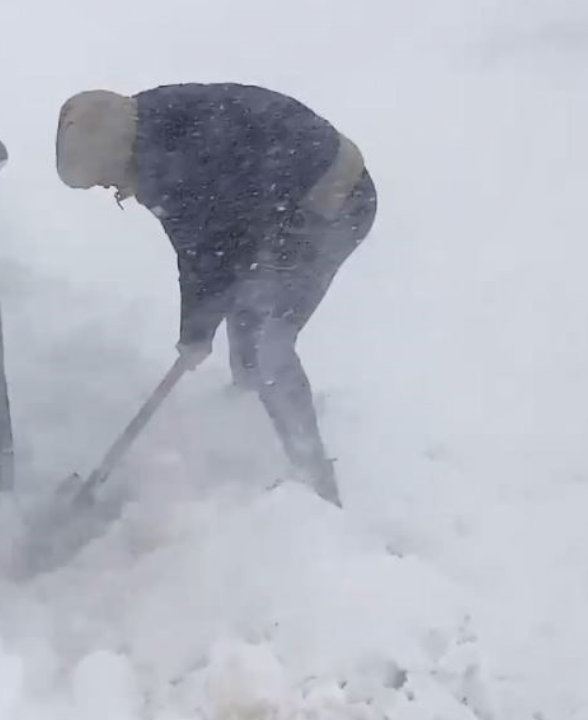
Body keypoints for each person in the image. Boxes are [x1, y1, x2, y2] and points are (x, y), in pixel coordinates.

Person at [54, 83, 378, 505]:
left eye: (104, 178)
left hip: (333, 200)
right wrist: (198, 330)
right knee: (245, 307)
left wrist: (196, 333)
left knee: (269, 342)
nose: (110, 189)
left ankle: (313, 477)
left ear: (116, 154)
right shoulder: (148, 130)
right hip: (279, 206)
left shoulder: (172, 160)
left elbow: (209, 251)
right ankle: (247, 410)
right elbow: (203, 250)